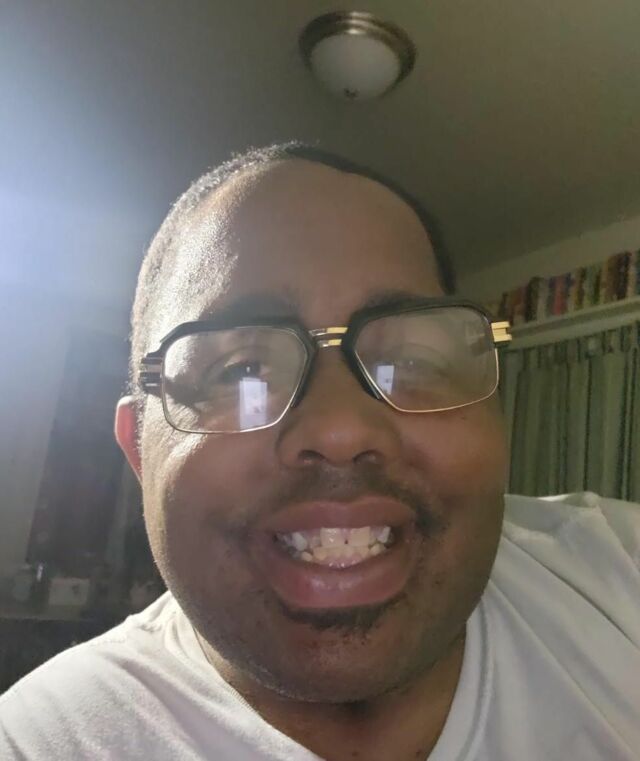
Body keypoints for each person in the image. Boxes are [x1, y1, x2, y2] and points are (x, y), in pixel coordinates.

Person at [1, 143, 639, 761]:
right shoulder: (40, 742)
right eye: (240, 372)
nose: (340, 429)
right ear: (139, 452)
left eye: (409, 360)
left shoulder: (619, 573)